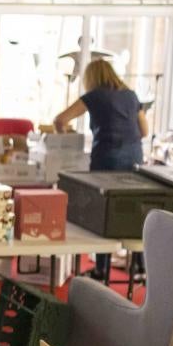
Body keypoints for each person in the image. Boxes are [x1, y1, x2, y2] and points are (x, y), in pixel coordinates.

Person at [54, 58, 149, 279]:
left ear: (91, 78)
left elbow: (60, 120)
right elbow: (144, 131)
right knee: (134, 210)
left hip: (107, 157)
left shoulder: (94, 96)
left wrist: (66, 141)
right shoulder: (131, 95)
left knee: (104, 212)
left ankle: (101, 269)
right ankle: (139, 267)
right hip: (134, 158)